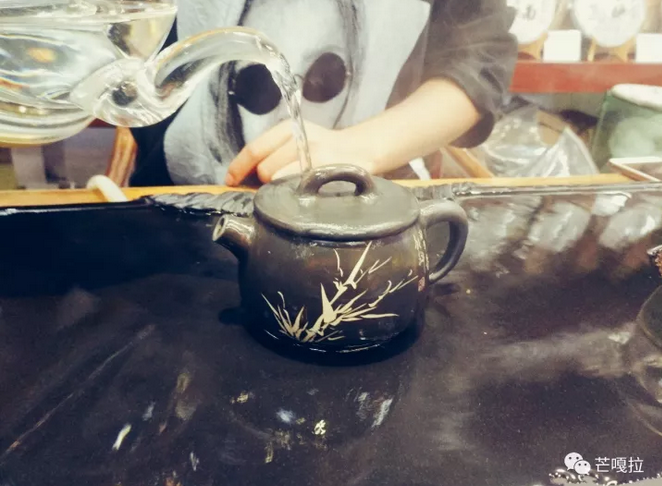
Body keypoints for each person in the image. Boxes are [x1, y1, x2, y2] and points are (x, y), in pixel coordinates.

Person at [130, 0, 517, 187]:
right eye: (254, 86)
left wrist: (363, 146)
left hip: (374, 223)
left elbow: (481, 61)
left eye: (326, 79)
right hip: (170, 227)